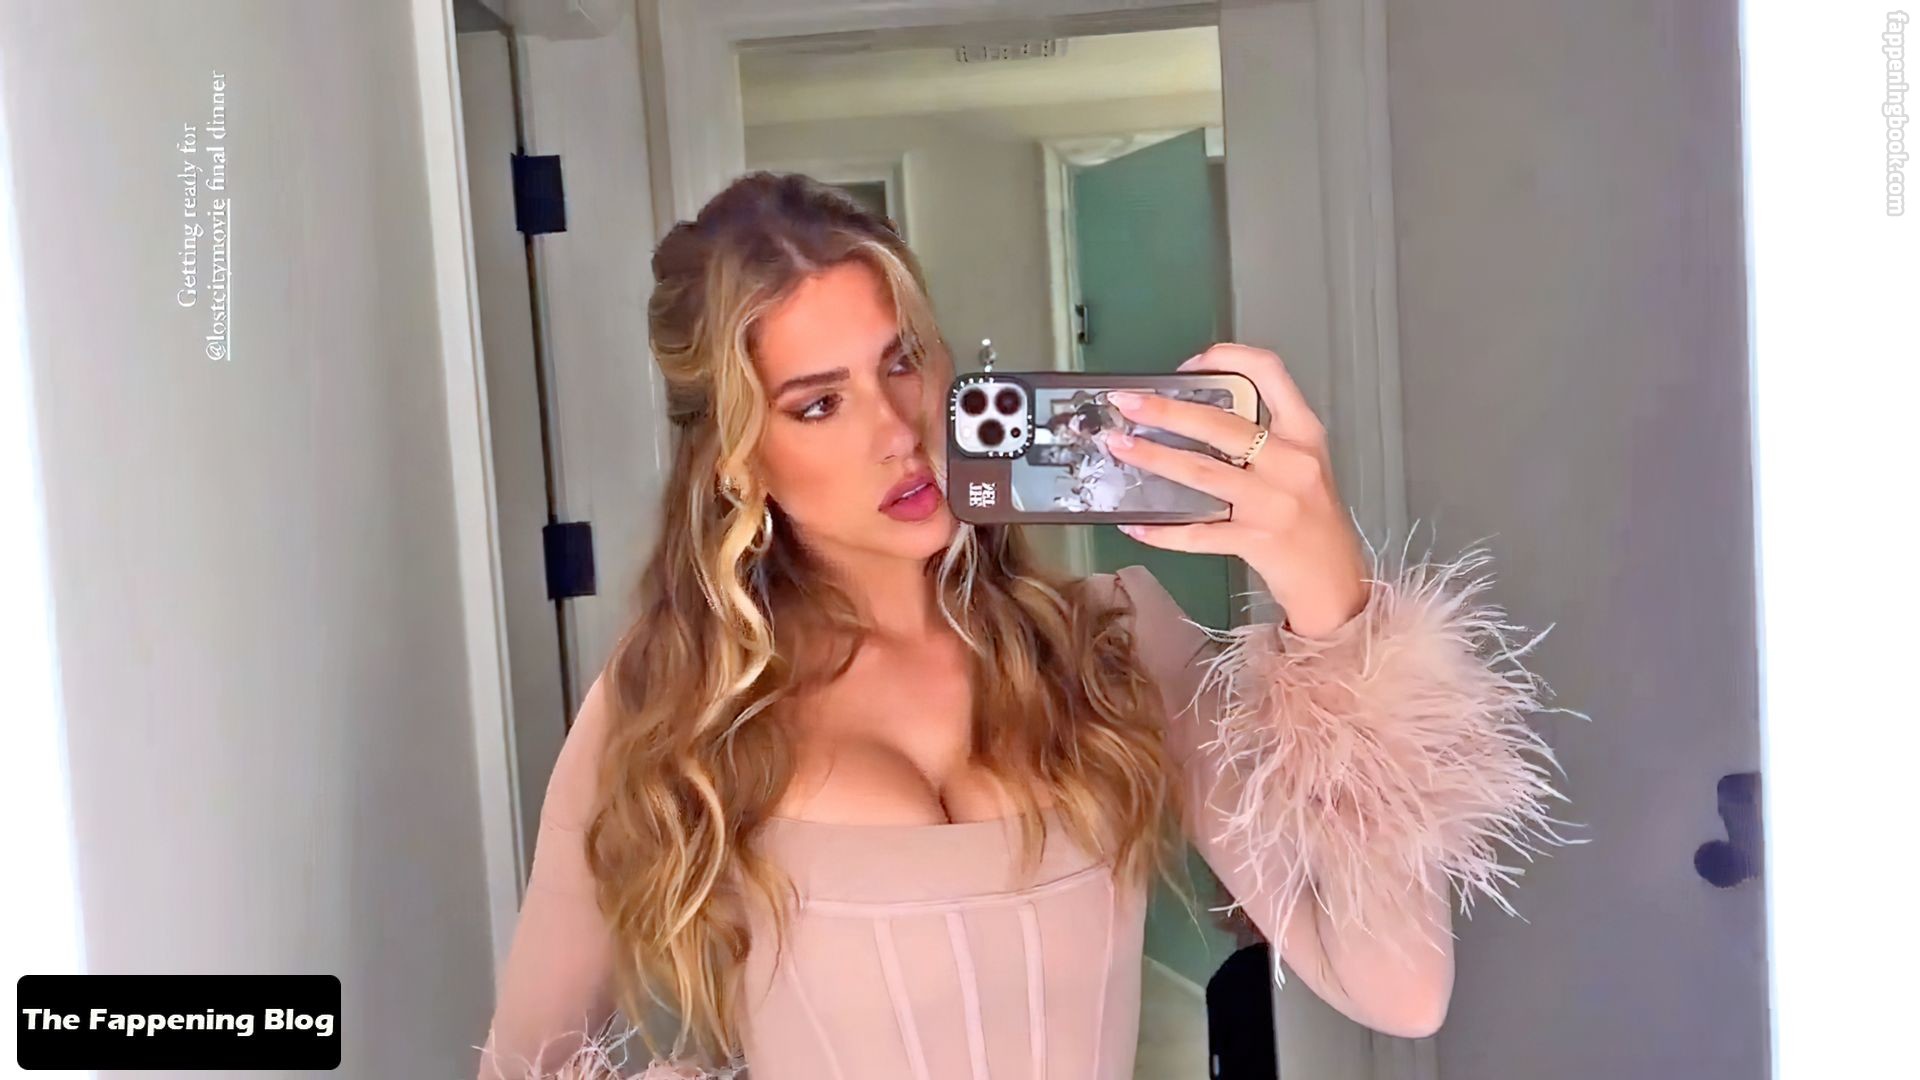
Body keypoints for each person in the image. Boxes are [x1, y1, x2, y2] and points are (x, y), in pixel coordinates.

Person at [475, 171, 1579, 1080]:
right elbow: (527, 1063)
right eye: (819, 403)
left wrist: (1330, 600)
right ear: (736, 456)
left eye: (904, 360)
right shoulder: (672, 696)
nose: (897, 428)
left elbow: (1400, 986)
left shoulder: (1113, 642)